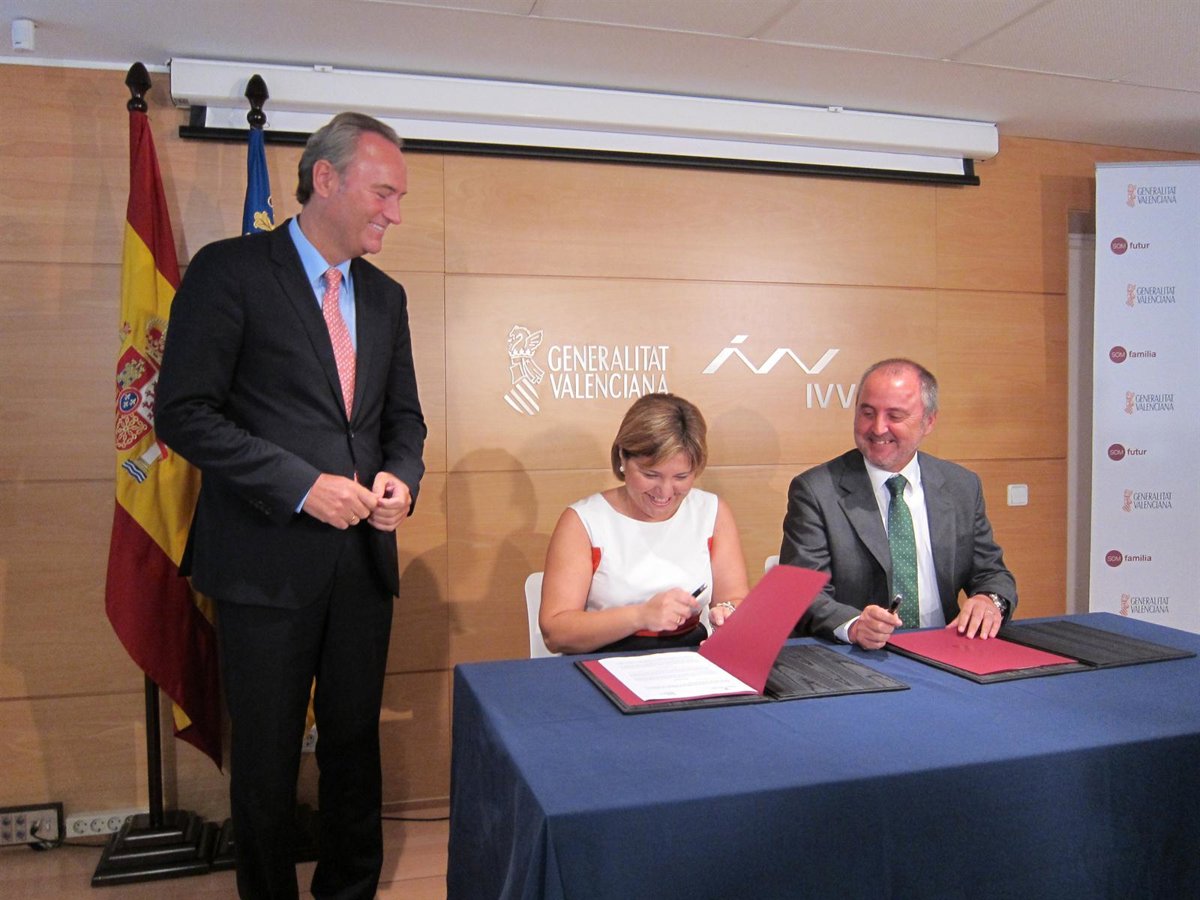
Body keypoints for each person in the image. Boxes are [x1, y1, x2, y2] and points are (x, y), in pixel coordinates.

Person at [156, 112, 426, 900]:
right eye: (384, 192)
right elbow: (184, 414)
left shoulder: (387, 298)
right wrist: (302, 485)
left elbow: (403, 420)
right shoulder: (230, 271)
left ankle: (349, 890)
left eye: (400, 198)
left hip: (362, 564)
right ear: (326, 179)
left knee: (353, 745)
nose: (394, 213)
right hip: (263, 562)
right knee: (267, 758)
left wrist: (400, 478)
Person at [780, 358, 1016, 651]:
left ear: (928, 421)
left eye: (895, 415)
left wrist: (989, 600)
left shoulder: (961, 486)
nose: (878, 428)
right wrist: (853, 625)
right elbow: (803, 594)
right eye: (867, 413)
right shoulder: (816, 491)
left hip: (948, 650)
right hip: (857, 657)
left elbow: (992, 573)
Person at [540, 393, 749, 654]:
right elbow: (556, 633)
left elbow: (734, 598)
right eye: (651, 475)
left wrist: (727, 613)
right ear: (622, 458)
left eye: (681, 477)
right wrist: (641, 616)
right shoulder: (584, 521)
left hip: (690, 660)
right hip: (603, 661)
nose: (665, 492)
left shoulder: (712, 512)